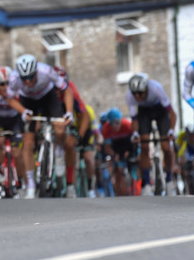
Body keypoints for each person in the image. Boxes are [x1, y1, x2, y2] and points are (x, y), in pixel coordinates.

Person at [7, 54, 73, 199]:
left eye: (31, 77)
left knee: (60, 128)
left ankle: (59, 152)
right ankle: (31, 184)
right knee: (28, 143)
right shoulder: (13, 78)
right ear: (19, 76)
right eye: (25, 79)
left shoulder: (47, 71)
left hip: (48, 96)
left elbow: (66, 90)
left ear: (36, 72)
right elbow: (10, 99)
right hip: (28, 100)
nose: (29, 81)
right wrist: (23, 111)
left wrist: (68, 112)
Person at [126, 73, 176, 196]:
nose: (137, 96)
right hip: (144, 113)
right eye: (135, 94)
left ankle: (169, 181)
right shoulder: (130, 96)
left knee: (165, 146)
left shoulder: (156, 88)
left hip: (160, 110)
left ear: (146, 89)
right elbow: (134, 120)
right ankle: (147, 183)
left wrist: (171, 130)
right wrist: (135, 133)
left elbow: (172, 113)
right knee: (144, 145)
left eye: (140, 93)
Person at [54, 66, 96, 198]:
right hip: (52, 115)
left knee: (71, 144)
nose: (58, 91)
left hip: (70, 121)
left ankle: (72, 184)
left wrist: (79, 135)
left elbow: (84, 115)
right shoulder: (46, 89)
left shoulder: (71, 89)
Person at [101, 107, 133, 196]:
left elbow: (134, 142)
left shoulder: (127, 125)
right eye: (112, 123)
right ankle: (121, 194)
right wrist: (114, 155)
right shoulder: (106, 128)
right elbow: (107, 147)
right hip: (116, 147)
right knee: (118, 171)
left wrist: (130, 152)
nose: (115, 126)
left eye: (117, 122)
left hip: (128, 144)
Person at [175, 124, 194, 194]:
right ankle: (185, 187)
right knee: (183, 168)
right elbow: (179, 154)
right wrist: (178, 164)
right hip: (186, 161)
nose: (192, 137)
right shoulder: (182, 140)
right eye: (191, 135)